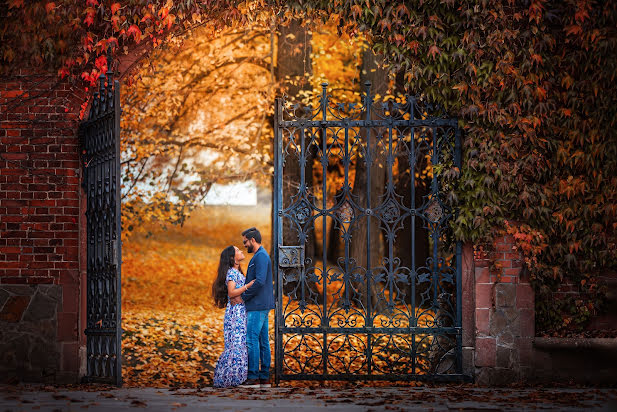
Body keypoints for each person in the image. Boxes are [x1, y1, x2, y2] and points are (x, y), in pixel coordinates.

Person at [234, 227, 274, 388]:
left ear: (252, 240)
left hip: (258, 305)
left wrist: (243, 297)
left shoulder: (261, 257)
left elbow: (260, 281)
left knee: (252, 339)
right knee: (262, 341)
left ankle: (253, 377)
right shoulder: (260, 256)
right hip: (261, 304)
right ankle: (264, 378)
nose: (244, 245)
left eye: (245, 242)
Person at [211, 245, 255, 388]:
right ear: (232, 258)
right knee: (236, 344)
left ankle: (236, 377)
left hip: (240, 312)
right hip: (235, 314)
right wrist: (248, 286)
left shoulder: (236, 272)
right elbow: (231, 292)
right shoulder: (231, 273)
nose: (241, 251)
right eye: (237, 250)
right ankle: (230, 378)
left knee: (239, 344)